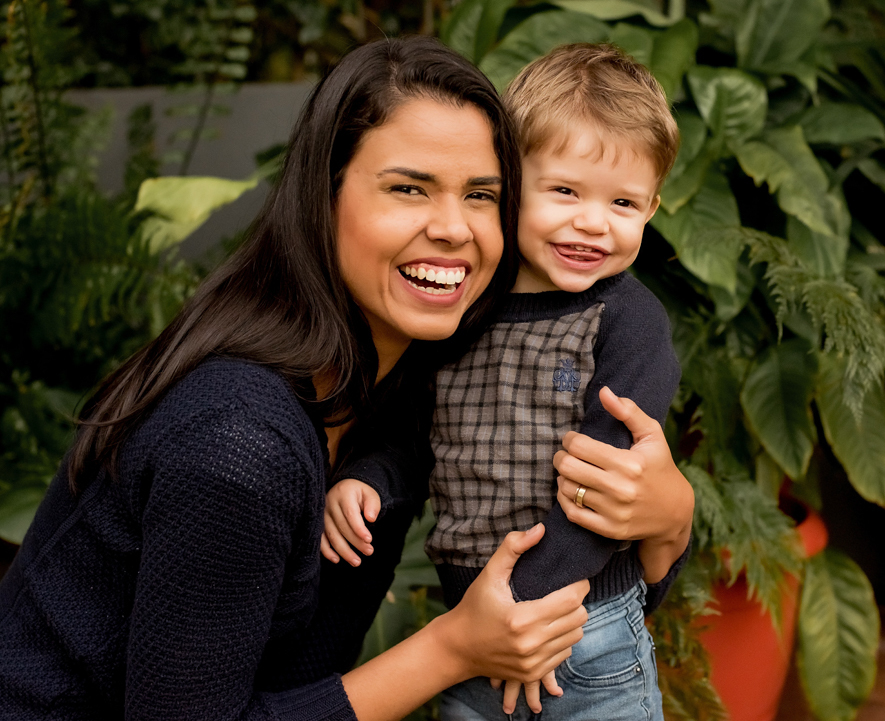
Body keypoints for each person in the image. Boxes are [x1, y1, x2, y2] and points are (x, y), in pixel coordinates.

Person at [0, 37, 690, 721]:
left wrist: (668, 527)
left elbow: (603, 620)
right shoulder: (237, 440)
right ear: (322, 196)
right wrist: (451, 648)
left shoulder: (412, 378)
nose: (453, 227)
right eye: (408, 187)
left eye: (482, 194)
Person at [321, 44, 689, 721]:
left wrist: (524, 615)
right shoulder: (463, 307)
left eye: (624, 202)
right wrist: (369, 477)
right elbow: (414, 432)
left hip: (584, 632)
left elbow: (604, 486)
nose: (592, 221)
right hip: (472, 630)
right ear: (513, 181)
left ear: (654, 206)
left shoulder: (626, 321)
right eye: (566, 191)